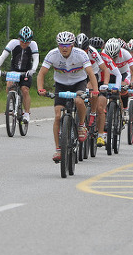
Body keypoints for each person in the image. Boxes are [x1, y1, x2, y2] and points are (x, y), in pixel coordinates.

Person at [37, 31, 99, 163]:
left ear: (72, 45)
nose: (64, 48)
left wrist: (95, 90)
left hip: (78, 83)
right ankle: (58, 149)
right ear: (58, 46)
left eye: (67, 45)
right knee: (57, 116)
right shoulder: (52, 55)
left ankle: (81, 125)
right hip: (61, 84)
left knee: (79, 101)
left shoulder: (80, 54)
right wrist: (40, 88)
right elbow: (41, 73)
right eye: (61, 45)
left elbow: (91, 73)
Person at [0, 26, 40, 124]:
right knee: (9, 84)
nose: (24, 44)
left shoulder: (33, 45)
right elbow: (3, 56)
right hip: (14, 70)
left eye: (27, 42)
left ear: (30, 41)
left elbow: (36, 58)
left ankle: (26, 113)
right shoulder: (13, 43)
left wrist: (33, 70)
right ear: (19, 39)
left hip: (26, 71)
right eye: (22, 41)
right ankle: (11, 104)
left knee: (25, 90)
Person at [82, 35, 115, 145]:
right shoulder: (74, 52)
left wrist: (105, 84)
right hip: (81, 76)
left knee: (100, 107)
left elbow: (105, 69)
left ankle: (100, 135)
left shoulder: (94, 52)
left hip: (95, 78)